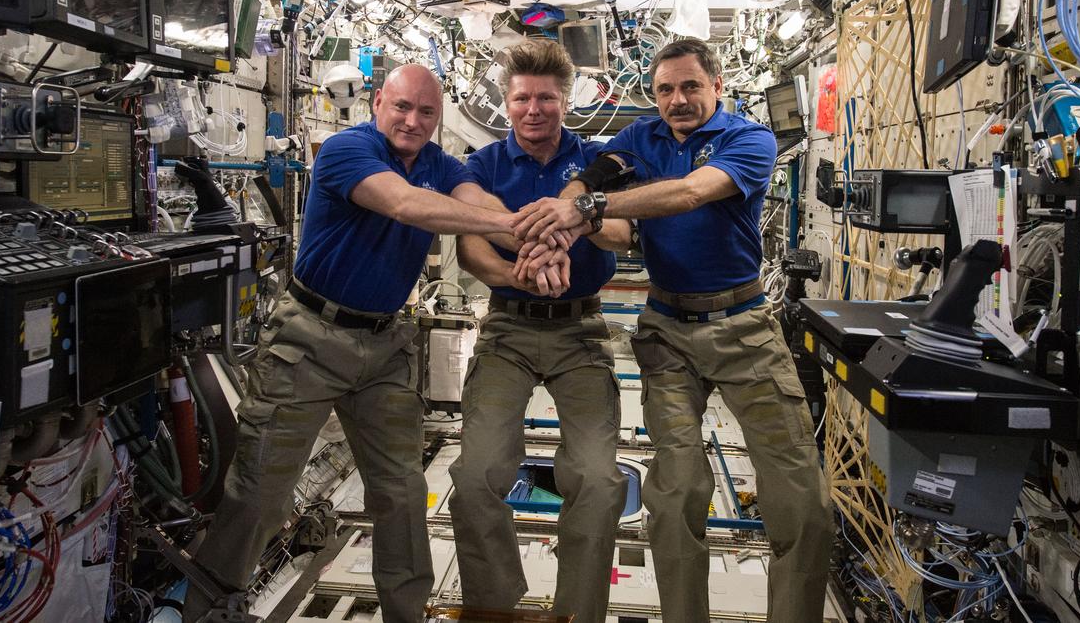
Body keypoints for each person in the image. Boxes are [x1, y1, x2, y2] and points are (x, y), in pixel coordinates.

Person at [514, 39, 834, 623]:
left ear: (717, 86)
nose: (677, 100)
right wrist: (558, 225)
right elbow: (586, 179)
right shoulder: (640, 139)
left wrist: (584, 210)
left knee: (802, 501)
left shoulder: (749, 139)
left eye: (690, 86)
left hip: (744, 330)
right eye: (665, 89)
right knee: (675, 492)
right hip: (667, 332)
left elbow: (689, 193)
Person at [185, 64, 518, 623]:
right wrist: (512, 226)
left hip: (386, 346)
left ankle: (405, 614)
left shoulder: (440, 165)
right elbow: (405, 205)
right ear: (377, 102)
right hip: (310, 338)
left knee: (403, 494)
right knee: (260, 495)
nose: (412, 121)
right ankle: (209, 611)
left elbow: (474, 200)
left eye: (427, 112)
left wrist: (525, 227)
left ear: (439, 118)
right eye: (402, 107)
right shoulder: (346, 149)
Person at [448, 41, 632, 623]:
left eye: (546, 98)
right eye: (522, 98)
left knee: (600, 481)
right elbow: (471, 245)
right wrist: (521, 274)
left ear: (565, 100)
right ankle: (493, 605)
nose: (534, 109)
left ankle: (577, 613)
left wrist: (572, 220)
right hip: (507, 327)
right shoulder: (483, 166)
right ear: (506, 103)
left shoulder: (598, 162)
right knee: (476, 474)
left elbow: (623, 233)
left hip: (581, 331)